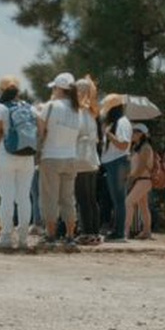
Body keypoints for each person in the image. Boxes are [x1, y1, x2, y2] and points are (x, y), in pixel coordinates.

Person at [0, 75, 37, 249]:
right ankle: (23, 239)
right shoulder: (30, 108)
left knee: (6, 197)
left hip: (5, 156)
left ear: (1, 90)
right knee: (24, 198)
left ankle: (6, 237)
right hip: (27, 157)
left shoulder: (0, 108)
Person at [37, 72, 82, 249]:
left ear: (58, 89)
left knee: (50, 198)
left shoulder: (50, 106)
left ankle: (51, 234)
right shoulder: (77, 109)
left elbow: (41, 131)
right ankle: (70, 235)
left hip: (51, 156)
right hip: (70, 157)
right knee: (68, 199)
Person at [100, 93, 133, 242]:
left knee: (119, 199)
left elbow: (123, 144)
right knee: (115, 199)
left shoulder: (122, 122)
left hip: (118, 162)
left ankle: (119, 233)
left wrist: (108, 134)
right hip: (113, 163)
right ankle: (117, 230)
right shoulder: (116, 122)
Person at [73, 76, 102, 245]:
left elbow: (77, 133)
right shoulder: (92, 111)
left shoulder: (81, 112)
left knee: (83, 197)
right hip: (91, 159)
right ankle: (94, 231)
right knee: (91, 198)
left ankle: (86, 232)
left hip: (81, 158)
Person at [124, 123, 155, 240]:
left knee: (128, 202)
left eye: (135, 132)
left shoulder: (146, 148)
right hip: (141, 180)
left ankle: (125, 231)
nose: (132, 134)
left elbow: (141, 168)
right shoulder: (136, 147)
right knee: (143, 206)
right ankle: (147, 231)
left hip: (143, 180)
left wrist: (130, 180)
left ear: (141, 134)